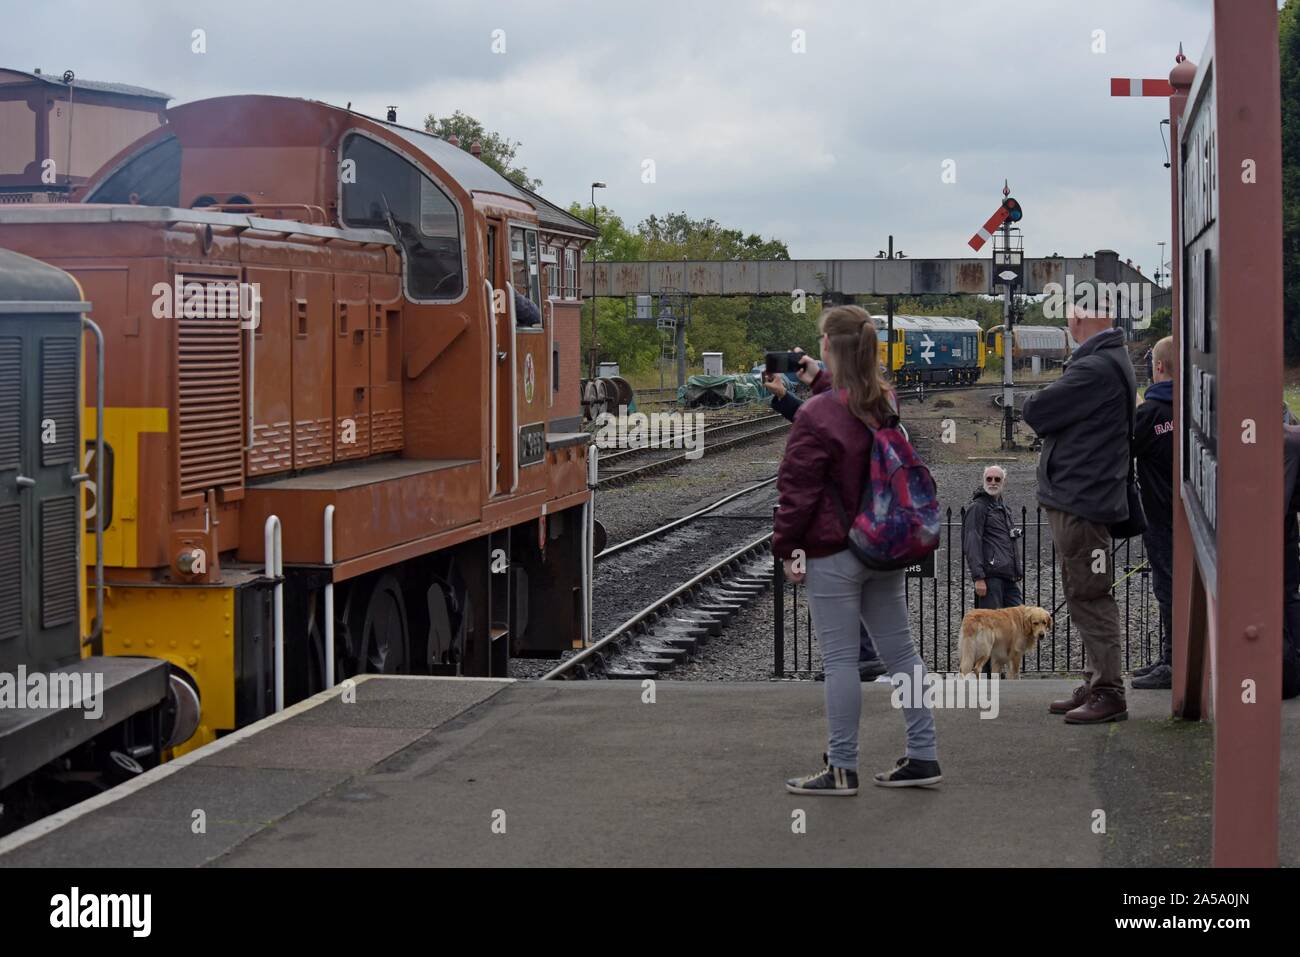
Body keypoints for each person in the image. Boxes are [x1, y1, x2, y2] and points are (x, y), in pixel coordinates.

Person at [774, 305, 941, 794]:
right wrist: (821, 379)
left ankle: (842, 767)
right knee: (903, 654)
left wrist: (787, 548)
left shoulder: (814, 415)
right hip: (880, 546)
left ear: (829, 345)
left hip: (833, 555)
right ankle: (923, 754)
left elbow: (796, 494)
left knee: (842, 662)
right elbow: (846, 406)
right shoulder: (881, 399)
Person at [1021, 291, 1135, 724]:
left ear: (1083, 317)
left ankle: (1108, 691)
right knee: (1083, 590)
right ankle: (1097, 682)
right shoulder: (1108, 359)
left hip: (1082, 499)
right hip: (1086, 494)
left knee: (1089, 592)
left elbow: (1038, 409)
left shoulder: (1094, 368)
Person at [764, 349, 888, 681]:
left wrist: (789, 549)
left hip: (847, 521)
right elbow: (826, 418)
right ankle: (864, 657)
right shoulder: (877, 399)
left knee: (844, 596)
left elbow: (799, 488)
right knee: (871, 607)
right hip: (873, 523)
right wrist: (791, 393)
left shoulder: (855, 406)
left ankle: (854, 660)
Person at [1130, 337, 1174, 690]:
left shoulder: (1151, 413)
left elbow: (1127, 444)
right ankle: (1173, 656)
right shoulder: (1194, 405)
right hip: (1196, 514)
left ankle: (1173, 661)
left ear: (1157, 367)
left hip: (1160, 514)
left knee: (1167, 589)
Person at [963, 465, 1024, 611]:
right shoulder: (978, 507)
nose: (993, 482)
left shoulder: (1004, 509)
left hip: (1009, 577)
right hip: (990, 578)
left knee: (1018, 623)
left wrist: (1016, 571)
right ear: (983, 480)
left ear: (1004, 482)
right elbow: (972, 542)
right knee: (992, 628)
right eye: (989, 479)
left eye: (997, 479)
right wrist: (978, 578)